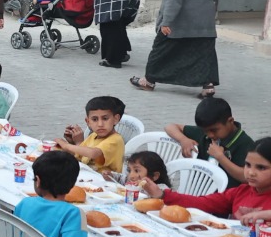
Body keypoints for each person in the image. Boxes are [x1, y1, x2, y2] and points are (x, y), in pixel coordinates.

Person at [140, 137, 271, 221]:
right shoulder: (240, 192)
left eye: (261, 168)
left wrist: (264, 215)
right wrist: (162, 194)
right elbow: (201, 203)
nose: (251, 172)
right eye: (248, 165)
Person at [165, 97, 253, 185]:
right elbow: (170, 127)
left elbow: (246, 177)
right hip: (199, 189)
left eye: (214, 130)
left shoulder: (245, 143)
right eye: (205, 131)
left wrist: (220, 157)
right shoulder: (205, 133)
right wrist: (183, 140)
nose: (210, 135)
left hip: (228, 194)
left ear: (230, 121)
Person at [57, 94, 126, 175]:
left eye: (105, 118)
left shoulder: (115, 140)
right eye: (95, 119)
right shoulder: (94, 136)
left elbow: (94, 154)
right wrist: (74, 142)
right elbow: (83, 156)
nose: (100, 124)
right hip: (88, 178)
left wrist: (66, 145)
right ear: (88, 122)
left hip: (106, 183)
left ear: (115, 119)